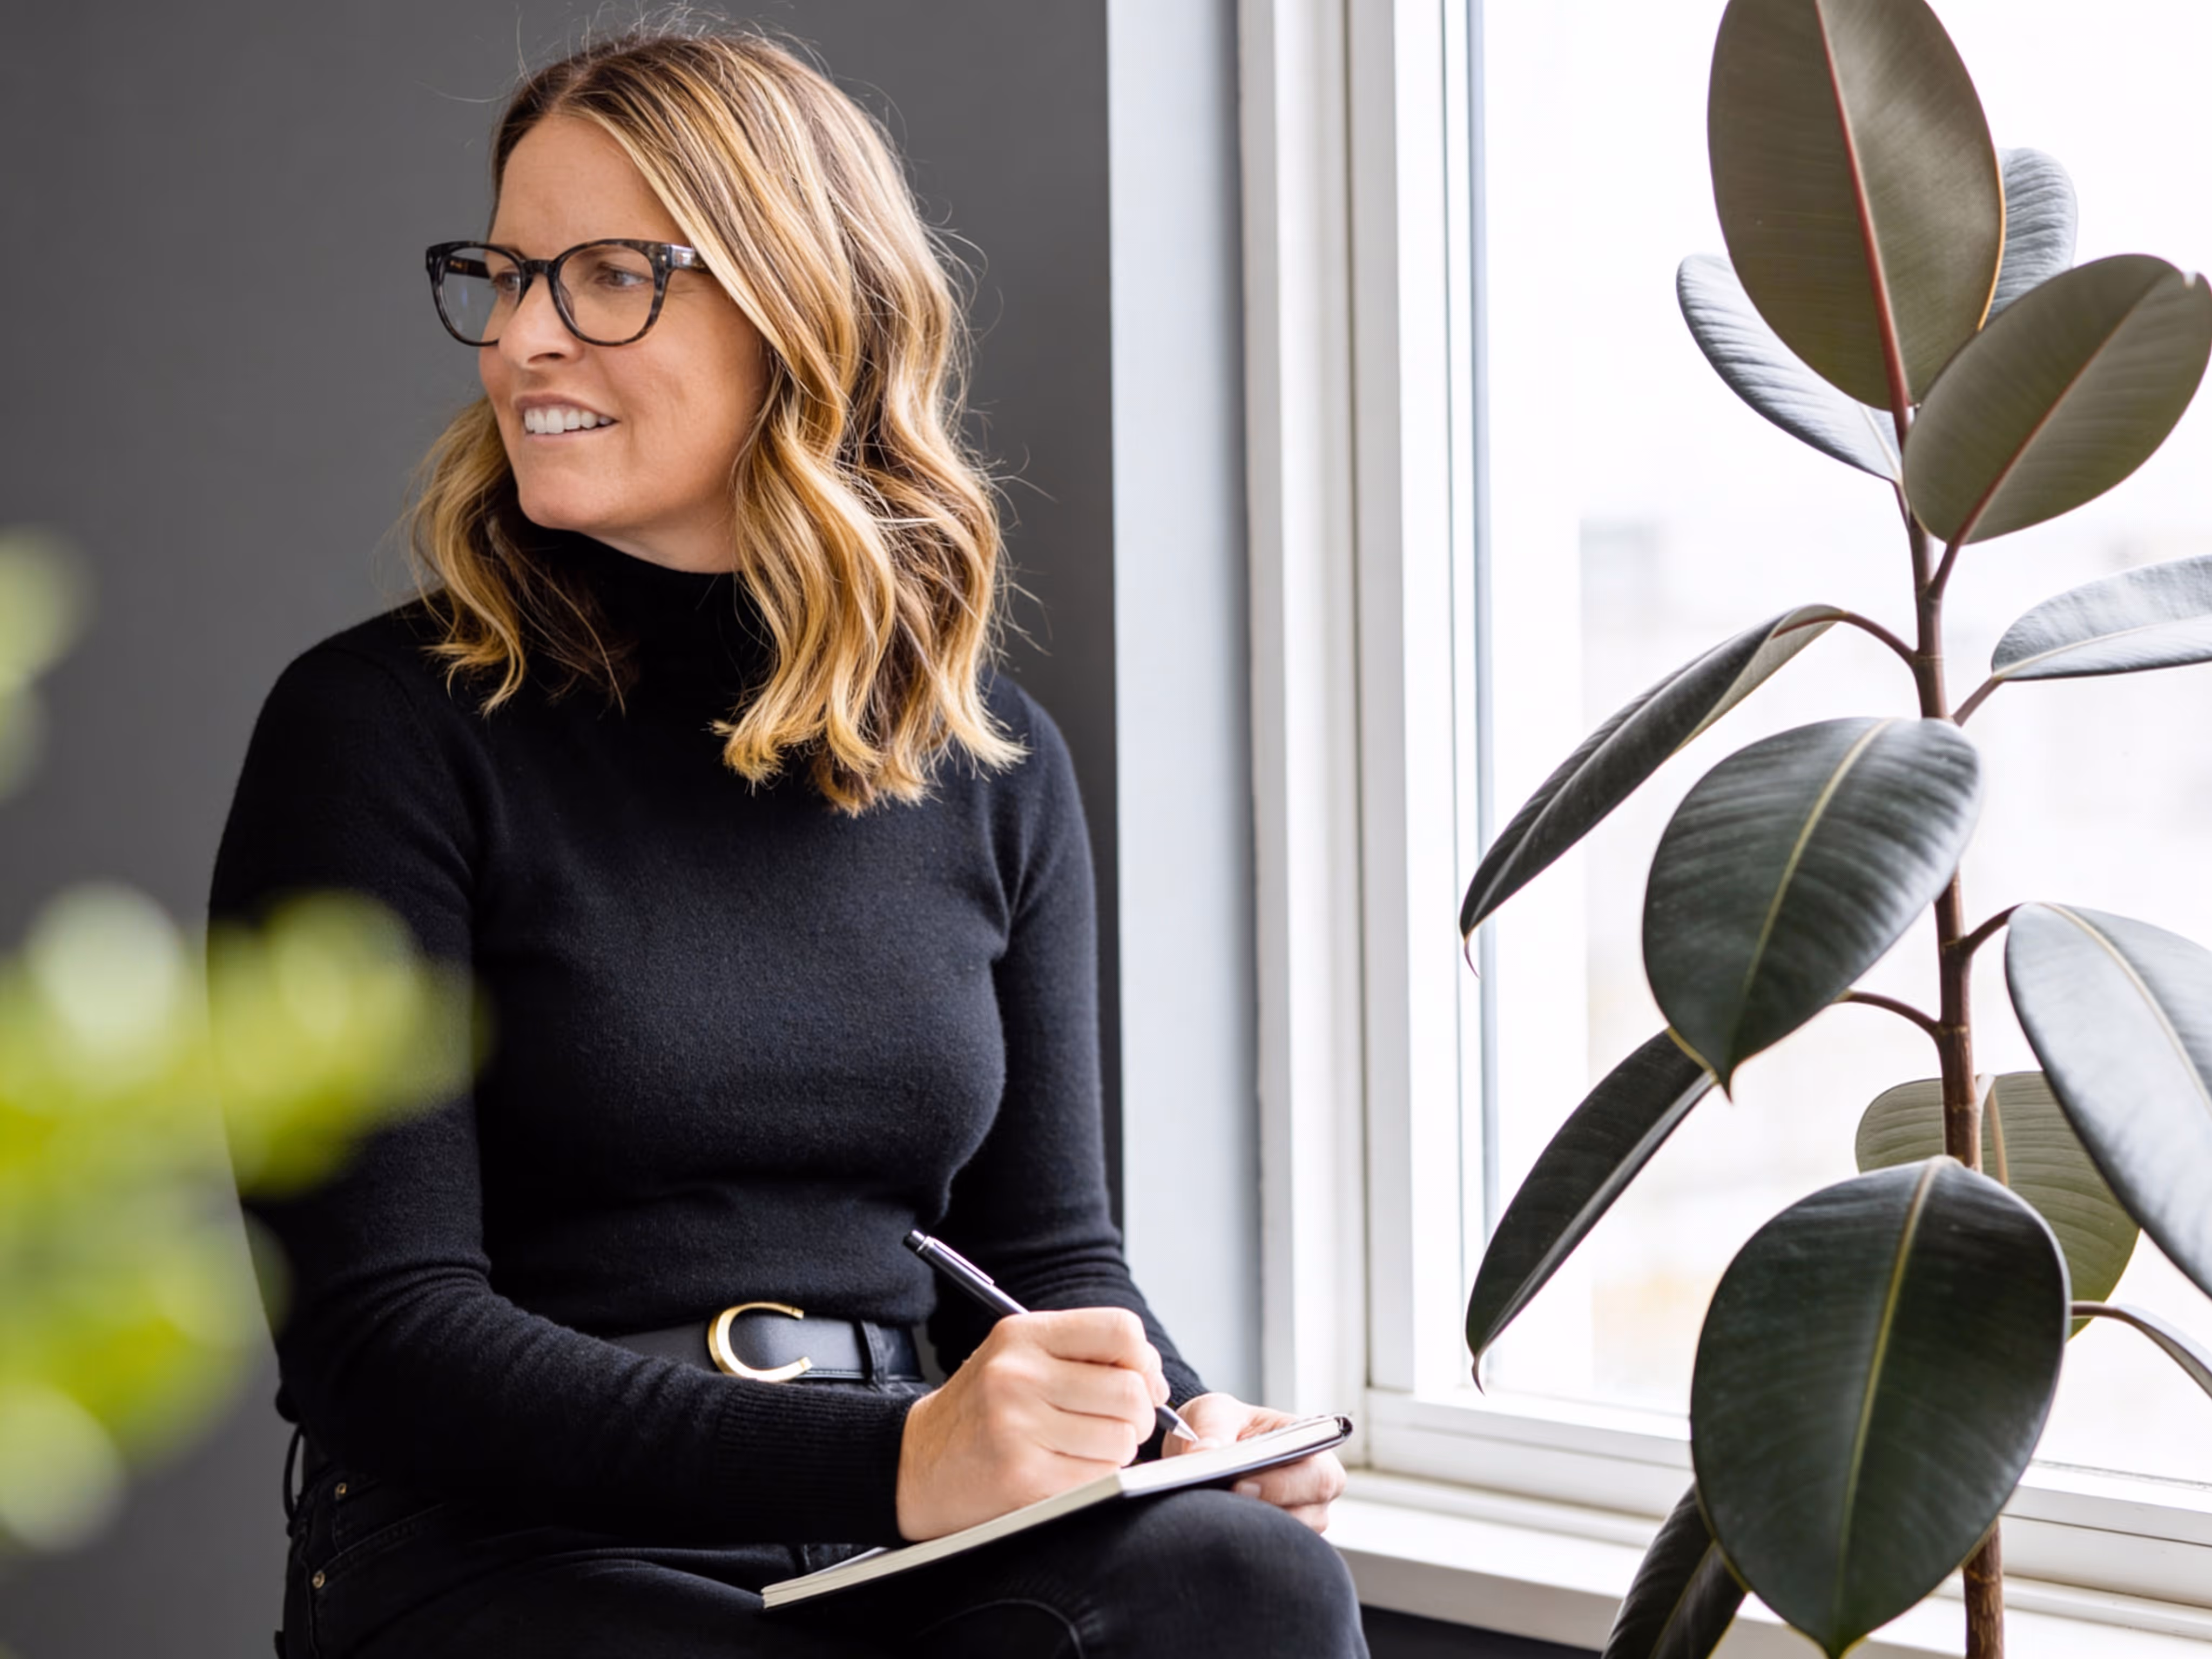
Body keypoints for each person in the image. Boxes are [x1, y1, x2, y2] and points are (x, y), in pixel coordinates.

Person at [208, 19, 1363, 1658]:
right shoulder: (376, 729)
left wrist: (1179, 1431)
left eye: (610, 276)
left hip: (894, 1528)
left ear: (799, 308)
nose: (527, 338)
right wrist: (899, 1455)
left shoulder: (991, 753)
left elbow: (1044, 1253)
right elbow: (374, 1337)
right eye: (507, 272)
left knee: (1245, 1585)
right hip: (513, 1549)